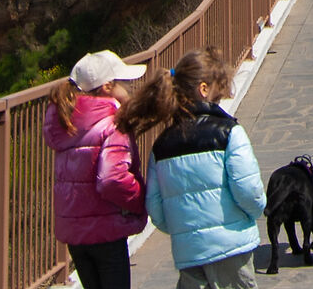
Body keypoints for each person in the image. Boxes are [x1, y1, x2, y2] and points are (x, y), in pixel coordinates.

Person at [122, 47, 265, 289]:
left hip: (189, 253)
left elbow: (156, 208)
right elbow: (249, 191)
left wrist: (183, 230)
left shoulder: (161, 146)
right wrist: (250, 215)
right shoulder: (229, 132)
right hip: (231, 247)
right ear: (204, 89)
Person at [43, 51, 148, 289]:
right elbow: (112, 179)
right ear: (108, 86)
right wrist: (141, 199)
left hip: (75, 233)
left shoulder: (65, 120)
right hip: (106, 230)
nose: (130, 89)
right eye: (125, 83)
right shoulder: (112, 123)